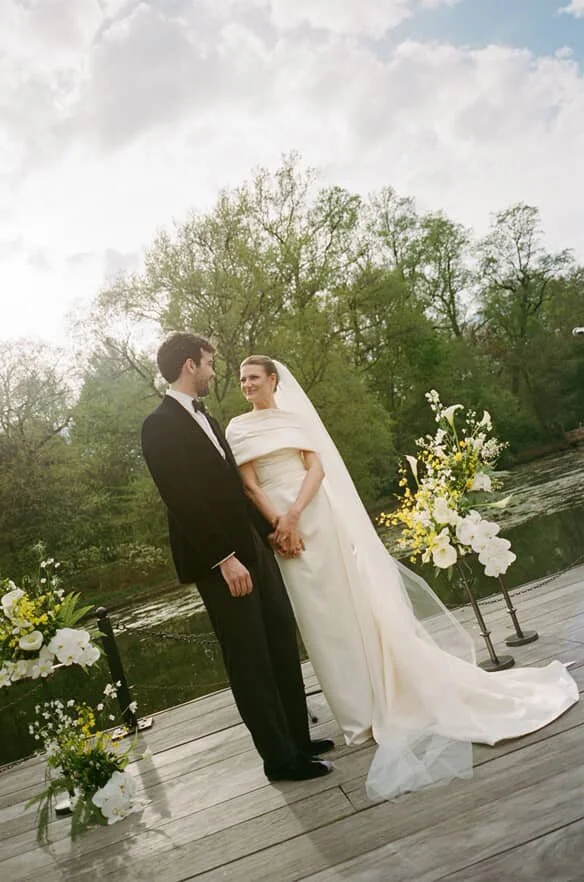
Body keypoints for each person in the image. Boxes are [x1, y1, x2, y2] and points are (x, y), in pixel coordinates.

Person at [225, 355, 579, 800]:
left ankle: (378, 699)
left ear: (273, 380)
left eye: (254, 378)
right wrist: (281, 524)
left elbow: (315, 468)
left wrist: (296, 513)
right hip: (281, 531)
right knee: (318, 620)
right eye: (241, 380)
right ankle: (357, 713)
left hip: (314, 514)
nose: (246, 385)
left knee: (347, 606)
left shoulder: (295, 418)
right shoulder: (237, 429)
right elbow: (249, 484)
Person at [141, 333, 334, 782]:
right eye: (208, 363)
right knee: (250, 660)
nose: (213, 371)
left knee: (280, 642)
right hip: (222, 562)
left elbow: (232, 489)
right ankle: (280, 760)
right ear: (190, 365)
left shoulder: (204, 416)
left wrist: (271, 533)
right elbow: (182, 499)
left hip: (252, 547)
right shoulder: (160, 424)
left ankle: (298, 740)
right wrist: (224, 557)